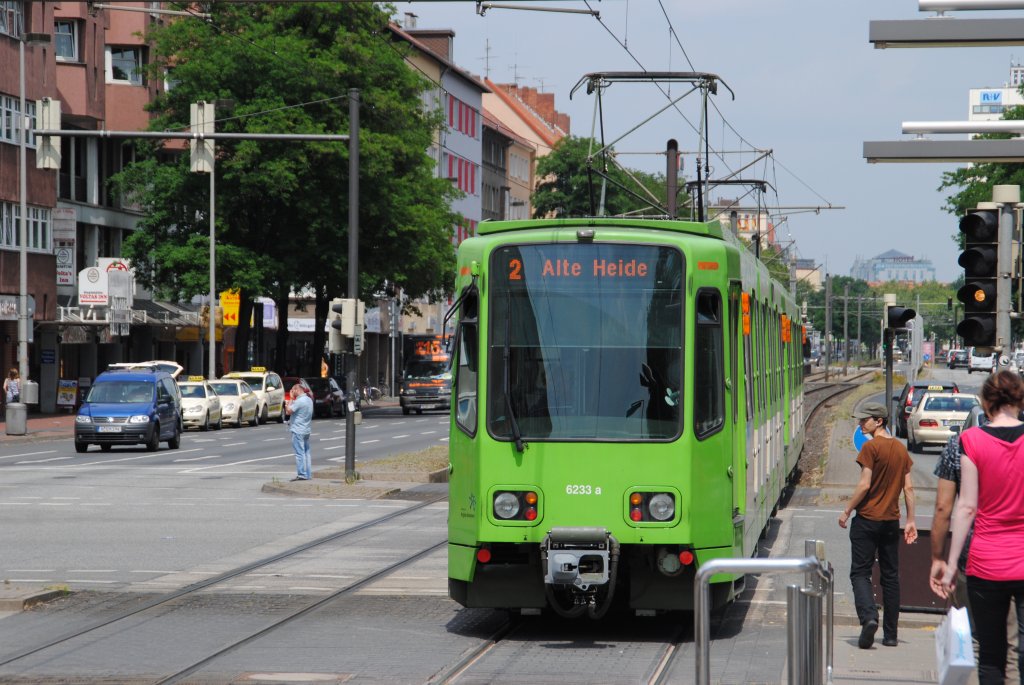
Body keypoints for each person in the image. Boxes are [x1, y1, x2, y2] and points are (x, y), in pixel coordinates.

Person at [941, 370, 1024, 684]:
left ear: (987, 401)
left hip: (986, 562)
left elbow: (966, 506)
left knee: (990, 654)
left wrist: (950, 565)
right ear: (1019, 399)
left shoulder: (971, 440)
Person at [838, 400, 917, 649]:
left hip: (867, 521)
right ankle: (891, 635)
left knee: (860, 573)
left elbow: (864, 485)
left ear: (879, 421)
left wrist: (847, 510)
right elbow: (909, 488)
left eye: (865, 419)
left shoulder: (870, 449)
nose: (861, 423)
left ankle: (869, 617)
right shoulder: (901, 450)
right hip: (891, 522)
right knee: (890, 577)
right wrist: (911, 520)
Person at [285, 383, 313, 481]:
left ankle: (302, 474)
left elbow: (288, 411)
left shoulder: (299, 401)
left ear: (297, 390)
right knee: (306, 452)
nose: (292, 392)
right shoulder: (309, 400)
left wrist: (291, 399)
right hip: (306, 429)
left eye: (293, 390)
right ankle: (308, 474)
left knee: (299, 453)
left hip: (298, 430)